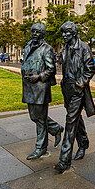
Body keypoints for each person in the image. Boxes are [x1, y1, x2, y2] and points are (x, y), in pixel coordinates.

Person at [54, 21, 95, 173]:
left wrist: (80, 83)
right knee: (75, 118)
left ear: (74, 33)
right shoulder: (65, 48)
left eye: (67, 32)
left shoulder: (83, 47)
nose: (64, 35)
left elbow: (90, 69)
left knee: (70, 122)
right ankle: (83, 143)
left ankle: (64, 160)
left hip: (78, 90)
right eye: (63, 32)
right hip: (67, 89)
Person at [21, 23, 63, 160]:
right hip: (28, 86)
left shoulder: (47, 49)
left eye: (37, 32)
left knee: (39, 119)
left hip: (40, 87)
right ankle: (55, 128)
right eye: (33, 31)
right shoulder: (28, 46)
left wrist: (38, 77)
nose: (34, 34)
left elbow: (51, 69)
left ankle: (41, 147)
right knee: (34, 116)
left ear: (43, 34)